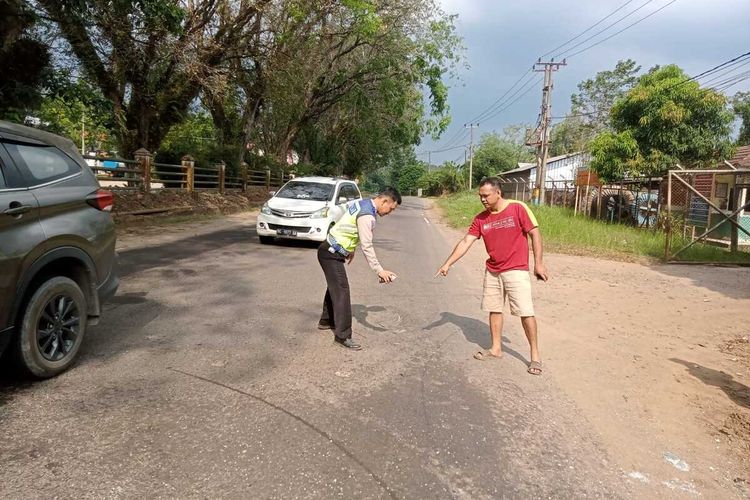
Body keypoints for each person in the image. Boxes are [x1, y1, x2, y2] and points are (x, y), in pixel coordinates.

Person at [436, 177, 548, 375]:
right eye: (480, 196)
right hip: (493, 270)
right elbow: (465, 242)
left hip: (516, 269)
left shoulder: (518, 208)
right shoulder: (481, 218)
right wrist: (448, 263)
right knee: (494, 309)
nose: (483, 199)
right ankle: (496, 348)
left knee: (525, 311)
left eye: (486, 196)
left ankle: (535, 356)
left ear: (498, 193)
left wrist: (538, 263)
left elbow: (535, 234)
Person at [317, 187, 402, 350]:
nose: (389, 212)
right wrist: (379, 270)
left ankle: (326, 321)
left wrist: (350, 249)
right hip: (330, 253)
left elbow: (348, 225)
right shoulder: (367, 216)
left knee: (334, 286)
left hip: (330, 249)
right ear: (385, 201)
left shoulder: (363, 203)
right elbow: (367, 245)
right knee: (342, 291)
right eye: (390, 208)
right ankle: (343, 336)